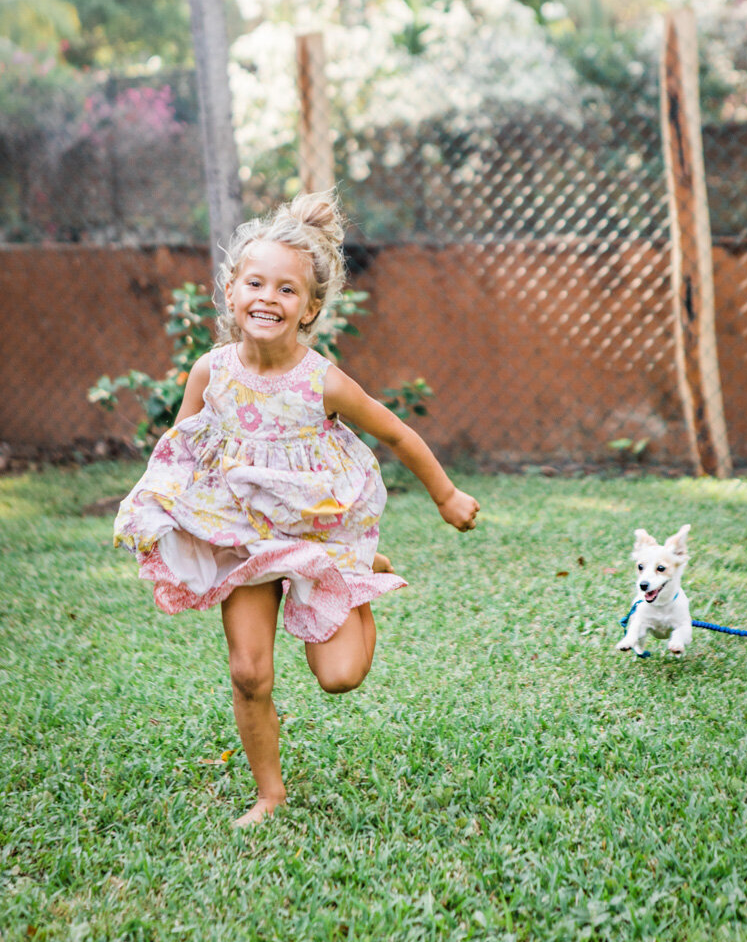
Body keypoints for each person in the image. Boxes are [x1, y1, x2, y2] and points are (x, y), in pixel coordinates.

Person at [114, 190, 480, 826]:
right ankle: (269, 795)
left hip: (318, 534)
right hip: (244, 538)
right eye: (255, 282)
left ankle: (354, 580)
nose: (267, 298)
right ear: (230, 291)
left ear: (310, 308)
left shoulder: (322, 381)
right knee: (250, 672)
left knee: (340, 677)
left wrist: (446, 495)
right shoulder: (210, 373)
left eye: (287, 290)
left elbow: (396, 433)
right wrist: (153, 516)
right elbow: (178, 452)